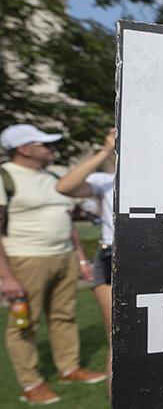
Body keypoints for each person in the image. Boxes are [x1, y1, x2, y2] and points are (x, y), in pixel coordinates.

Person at [0, 124, 108, 405]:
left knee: (64, 315)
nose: (51, 149)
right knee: (25, 323)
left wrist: (80, 258)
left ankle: (69, 368)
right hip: (26, 258)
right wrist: (7, 277)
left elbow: (66, 221)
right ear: (24, 148)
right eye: (44, 144)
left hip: (62, 256)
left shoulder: (51, 176)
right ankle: (31, 383)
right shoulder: (5, 177)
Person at [55, 129, 117, 392]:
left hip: (156, 259)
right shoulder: (106, 180)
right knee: (121, 338)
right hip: (113, 257)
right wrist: (105, 151)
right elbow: (64, 187)